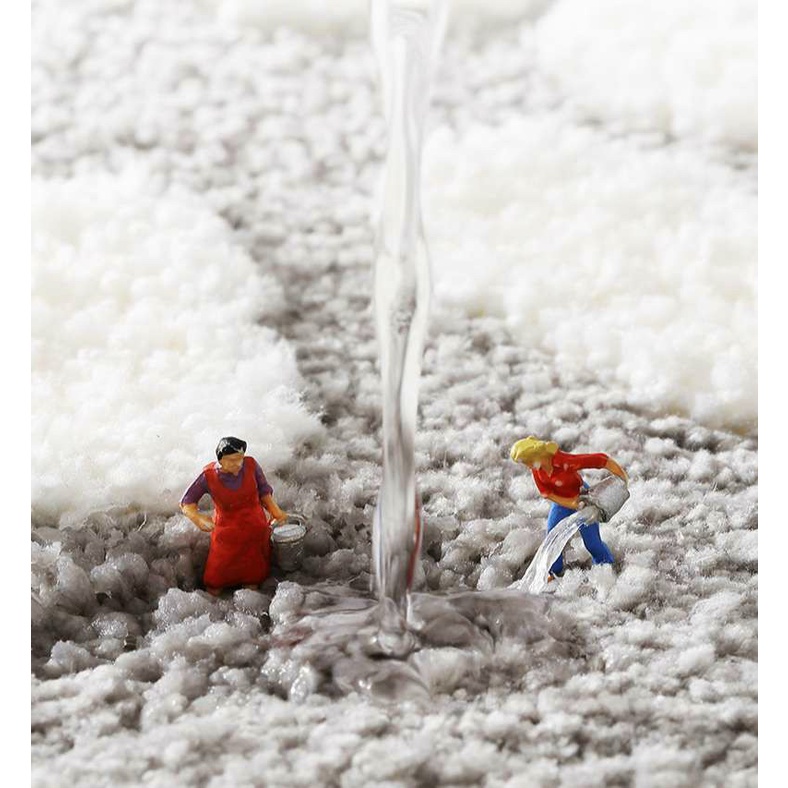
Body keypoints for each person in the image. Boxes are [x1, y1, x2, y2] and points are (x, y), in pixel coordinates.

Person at [180, 437, 287, 595]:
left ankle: (251, 600)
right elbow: (186, 502)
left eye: (240, 459)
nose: (237, 464)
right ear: (220, 460)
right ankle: (213, 603)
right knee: (216, 578)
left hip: (254, 529)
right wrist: (197, 518)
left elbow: (264, 492)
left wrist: (276, 512)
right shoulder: (208, 476)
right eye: (232, 460)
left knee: (253, 573)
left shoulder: (251, 465)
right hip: (226, 534)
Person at [510, 436, 628, 578]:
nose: (528, 466)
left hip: (583, 498)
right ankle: (554, 571)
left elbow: (599, 460)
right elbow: (547, 493)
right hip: (562, 503)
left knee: (592, 542)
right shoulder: (537, 471)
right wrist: (570, 503)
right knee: (552, 539)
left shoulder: (563, 461)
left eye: (528, 462)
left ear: (537, 455)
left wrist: (621, 475)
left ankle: (605, 565)